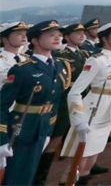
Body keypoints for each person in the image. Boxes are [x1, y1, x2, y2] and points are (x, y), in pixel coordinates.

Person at [59, 21, 111, 185]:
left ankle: (83, 181)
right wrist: (79, 120)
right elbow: (75, 92)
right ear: (104, 38)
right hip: (92, 112)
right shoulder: (96, 60)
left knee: (92, 157)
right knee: (79, 160)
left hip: (110, 111)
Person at [0, 20, 69, 186]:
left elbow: (54, 101)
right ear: (35, 40)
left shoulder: (60, 66)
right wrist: (2, 139)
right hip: (21, 126)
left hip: (42, 127)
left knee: (29, 173)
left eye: (58, 35)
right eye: (51, 35)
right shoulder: (22, 69)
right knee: (15, 175)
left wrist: (48, 131)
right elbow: (2, 105)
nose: (57, 38)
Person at [34, 22, 91, 184]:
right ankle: (39, 177)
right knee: (53, 139)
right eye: (77, 33)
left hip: (81, 99)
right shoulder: (60, 55)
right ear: (67, 37)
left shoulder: (84, 54)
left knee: (70, 138)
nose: (82, 36)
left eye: (83, 33)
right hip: (63, 101)